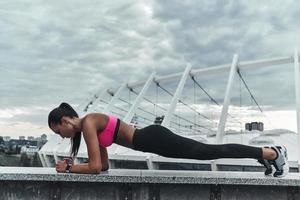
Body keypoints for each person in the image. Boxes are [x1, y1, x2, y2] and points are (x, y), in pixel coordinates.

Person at [48, 102, 289, 177]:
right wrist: (77, 167)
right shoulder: (92, 127)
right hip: (153, 141)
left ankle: (271, 153)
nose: (62, 135)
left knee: (209, 151)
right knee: (209, 152)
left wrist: (69, 167)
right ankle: (268, 155)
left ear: (67, 121)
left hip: (153, 138)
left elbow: (93, 167)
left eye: (59, 131)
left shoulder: (89, 122)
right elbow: (103, 166)